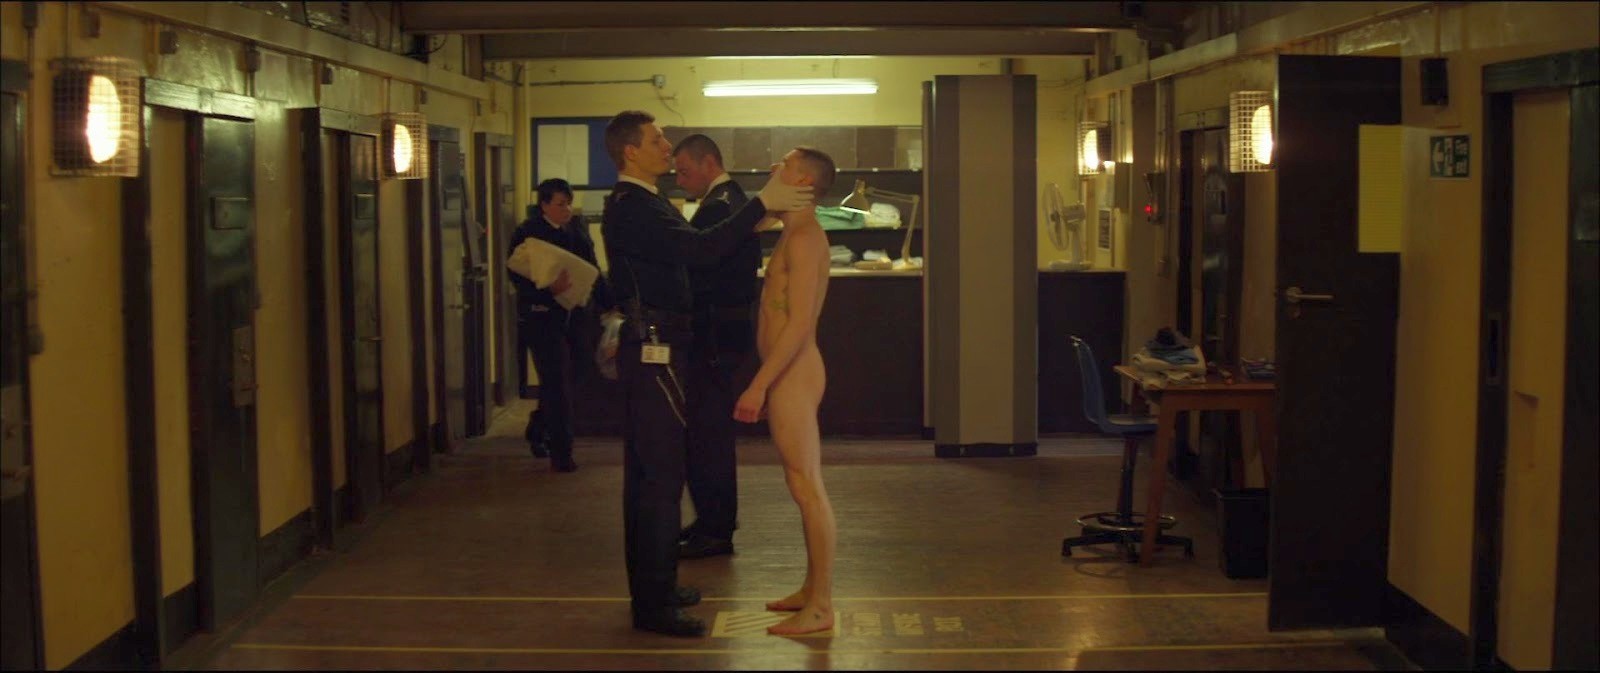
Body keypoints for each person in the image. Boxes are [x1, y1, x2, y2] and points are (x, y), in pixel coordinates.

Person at [599, 110, 813, 637]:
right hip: (654, 348)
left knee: (659, 473)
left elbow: (694, 249)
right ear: (631, 151)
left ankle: (657, 586)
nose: (666, 146)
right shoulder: (633, 205)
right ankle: (653, 605)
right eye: (657, 139)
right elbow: (698, 250)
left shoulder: (645, 202)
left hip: (665, 344)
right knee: (658, 478)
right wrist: (761, 204)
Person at [732, 147, 839, 637]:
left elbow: (798, 326)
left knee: (807, 486)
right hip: (787, 371)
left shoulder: (805, 238)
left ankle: (820, 606)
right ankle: (810, 589)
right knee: (801, 484)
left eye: (786, 165)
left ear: (803, 181)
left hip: (793, 371)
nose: (775, 167)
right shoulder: (790, 230)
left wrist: (759, 385)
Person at [673, 134, 759, 560]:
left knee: (707, 435)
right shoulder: (733, 200)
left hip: (712, 335)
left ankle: (715, 526)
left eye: (684, 170)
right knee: (710, 433)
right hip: (727, 333)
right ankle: (713, 518)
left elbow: (700, 275)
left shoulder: (717, 208)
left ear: (708, 163)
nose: (679, 179)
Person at [509, 178, 614, 473]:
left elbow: (591, 270)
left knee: (575, 373)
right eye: (560, 204)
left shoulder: (576, 231)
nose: (566, 210)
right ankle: (561, 451)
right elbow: (517, 274)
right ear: (544, 205)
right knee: (555, 380)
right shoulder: (527, 233)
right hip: (541, 317)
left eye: (568, 204)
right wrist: (548, 290)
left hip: (574, 315)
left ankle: (538, 425)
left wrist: (609, 302)